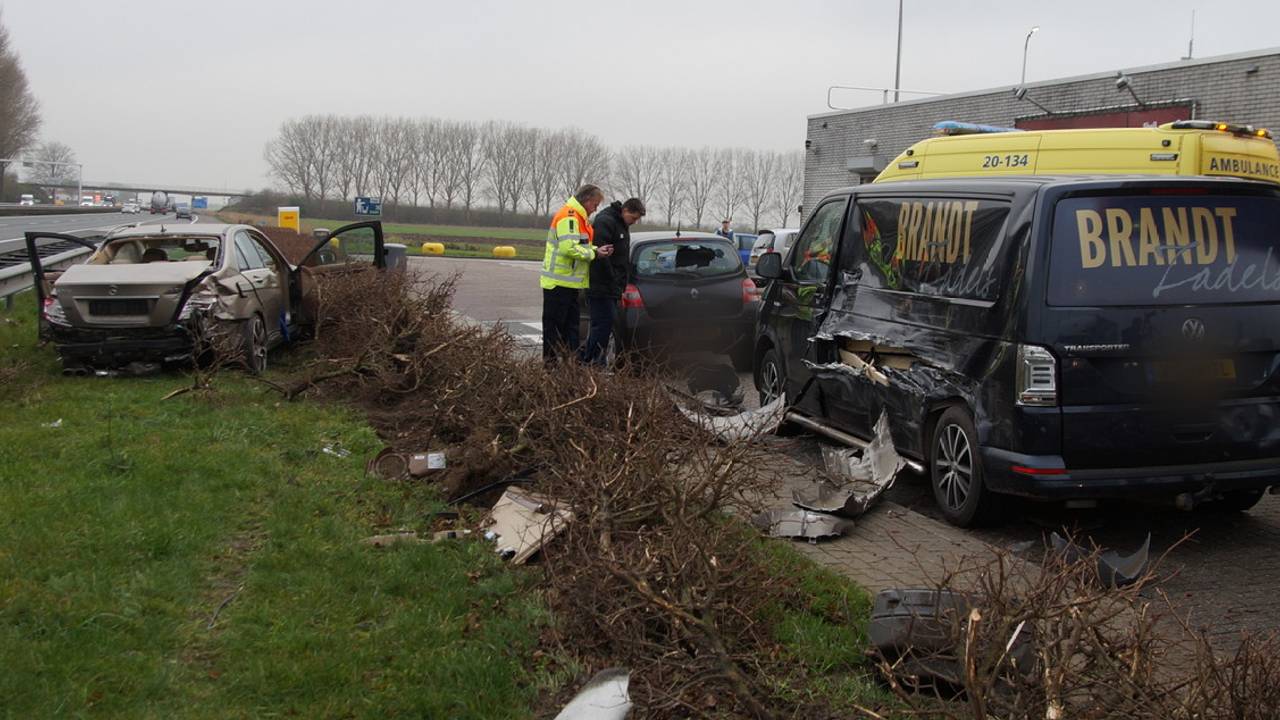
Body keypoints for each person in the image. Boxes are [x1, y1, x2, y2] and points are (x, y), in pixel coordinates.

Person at [540, 184, 612, 363]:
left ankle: (568, 367)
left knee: (569, 329)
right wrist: (594, 254)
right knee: (555, 330)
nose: (595, 209)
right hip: (559, 284)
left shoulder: (578, 217)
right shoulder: (570, 217)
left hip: (569, 283)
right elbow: (569, 248)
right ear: (587, 200)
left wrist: (596, 249)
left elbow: (580, 246)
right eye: (595, 204)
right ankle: (551, 367)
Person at [581, 197, 645, 366]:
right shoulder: (605, 222)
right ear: (625, 210)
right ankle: (593, 360)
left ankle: (594, 359)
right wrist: (614, 279)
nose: (634, 222)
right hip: (601, 285)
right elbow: (601, 256)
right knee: (601, 324)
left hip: (612, 286)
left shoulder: (621, 223)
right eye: (633, 218)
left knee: (605, 324)